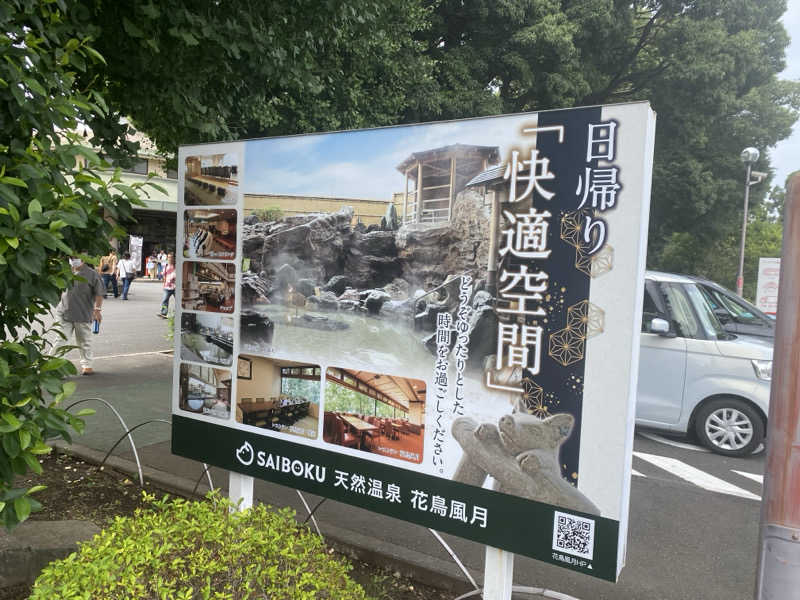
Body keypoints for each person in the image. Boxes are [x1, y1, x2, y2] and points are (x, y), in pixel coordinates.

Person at [56, 256, 105, 375]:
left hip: (83, 313)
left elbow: (99, 293)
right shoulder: (65, 271)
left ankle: (87, 365)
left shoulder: (92, 274)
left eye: (76, 257)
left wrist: (97, 310)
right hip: (64, 312)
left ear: (83, 259)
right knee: (60, 340)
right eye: (71, 257)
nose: (73, 260)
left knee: (84, 341)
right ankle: (53, 366)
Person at [159, 253, 176, 317]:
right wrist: (165, 279)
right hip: (167, 287)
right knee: (164, 300)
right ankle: (163, 313)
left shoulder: (176, 266)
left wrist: (174, 278)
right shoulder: (166, 266)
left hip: (175, 287)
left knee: (179, 301)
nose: (170, 259)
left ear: (173, 258)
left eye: (171, 257)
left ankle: (179, 313)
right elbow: (163, 274)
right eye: (168, 257)